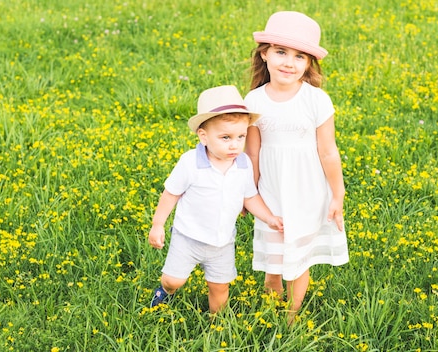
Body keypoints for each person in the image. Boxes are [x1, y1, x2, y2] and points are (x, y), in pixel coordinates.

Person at [244, 11, 349, 323]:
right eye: (280, 52)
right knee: (273, 257)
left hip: (307, 189)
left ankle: (292, 316)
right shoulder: (254, 100)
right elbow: (252, 154)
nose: (289, 63)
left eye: (299, 56)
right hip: (271, 190)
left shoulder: (316, 100)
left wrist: (337, 195)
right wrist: (248, 196)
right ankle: (268, 309)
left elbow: (328, 152)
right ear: (264, 54)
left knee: (298, 257)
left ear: (308, 64)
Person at [148, 85, 284, 314]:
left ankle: (216, 325)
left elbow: (249, 196)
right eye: (225, 137)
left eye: (241, 136)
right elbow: (171, 193)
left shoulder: (243, 164)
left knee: (220, 288)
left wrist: (269, 218)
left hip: (222, 242)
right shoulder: (190, 162)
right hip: (187, 238)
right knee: (174, 280)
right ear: (204, 136)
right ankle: (166, 291)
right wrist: (157, 224)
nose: (234, 144)